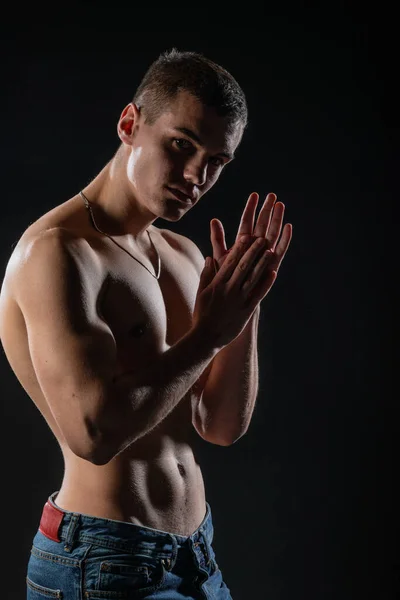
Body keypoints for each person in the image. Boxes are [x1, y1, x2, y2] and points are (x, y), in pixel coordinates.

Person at [0, 49, 292, 599]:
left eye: (216, 161)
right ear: (130, 125)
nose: (195, 177)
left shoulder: (181, 254)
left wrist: (243, 308)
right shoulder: (57, 254)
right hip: (102, 561)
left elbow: (220, 426)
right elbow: (94, 434)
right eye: (181, 146)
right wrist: (209, 333)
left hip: (196, 555)